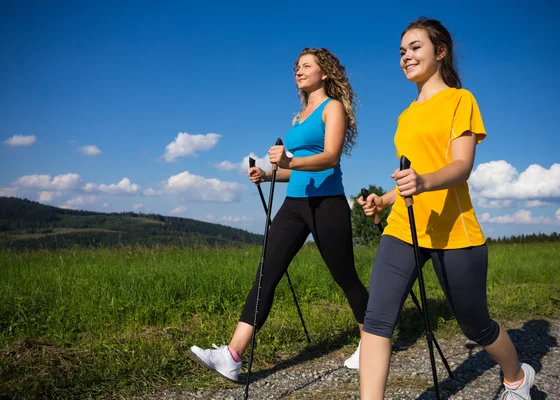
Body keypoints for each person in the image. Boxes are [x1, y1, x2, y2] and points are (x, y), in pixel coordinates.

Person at [357, 18, 535, 400]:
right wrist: (385, 199)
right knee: (376, 320)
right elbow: (409, 174)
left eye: (415, 47)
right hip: (405, 227)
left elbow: (460, 166)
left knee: (476, 327)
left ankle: (517, 377)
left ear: (441, 52)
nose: (406, 56)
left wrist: (421, 182)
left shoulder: (460, 99)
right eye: (402, 51)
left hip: (454, 232)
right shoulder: (405, 116)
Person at [189, 47, 368, 381]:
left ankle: (371, 342)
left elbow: (330, 157)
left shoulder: (333, 109)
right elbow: (294, 169)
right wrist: (269, 174)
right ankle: (233, 354)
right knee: (266, 271)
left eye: (306, 66)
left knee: (345, 276)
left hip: (327, 203)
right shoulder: (298, 117)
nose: (298, 71)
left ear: (324, 72)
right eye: (296, 67)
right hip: (294, 205)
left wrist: (287, 162)